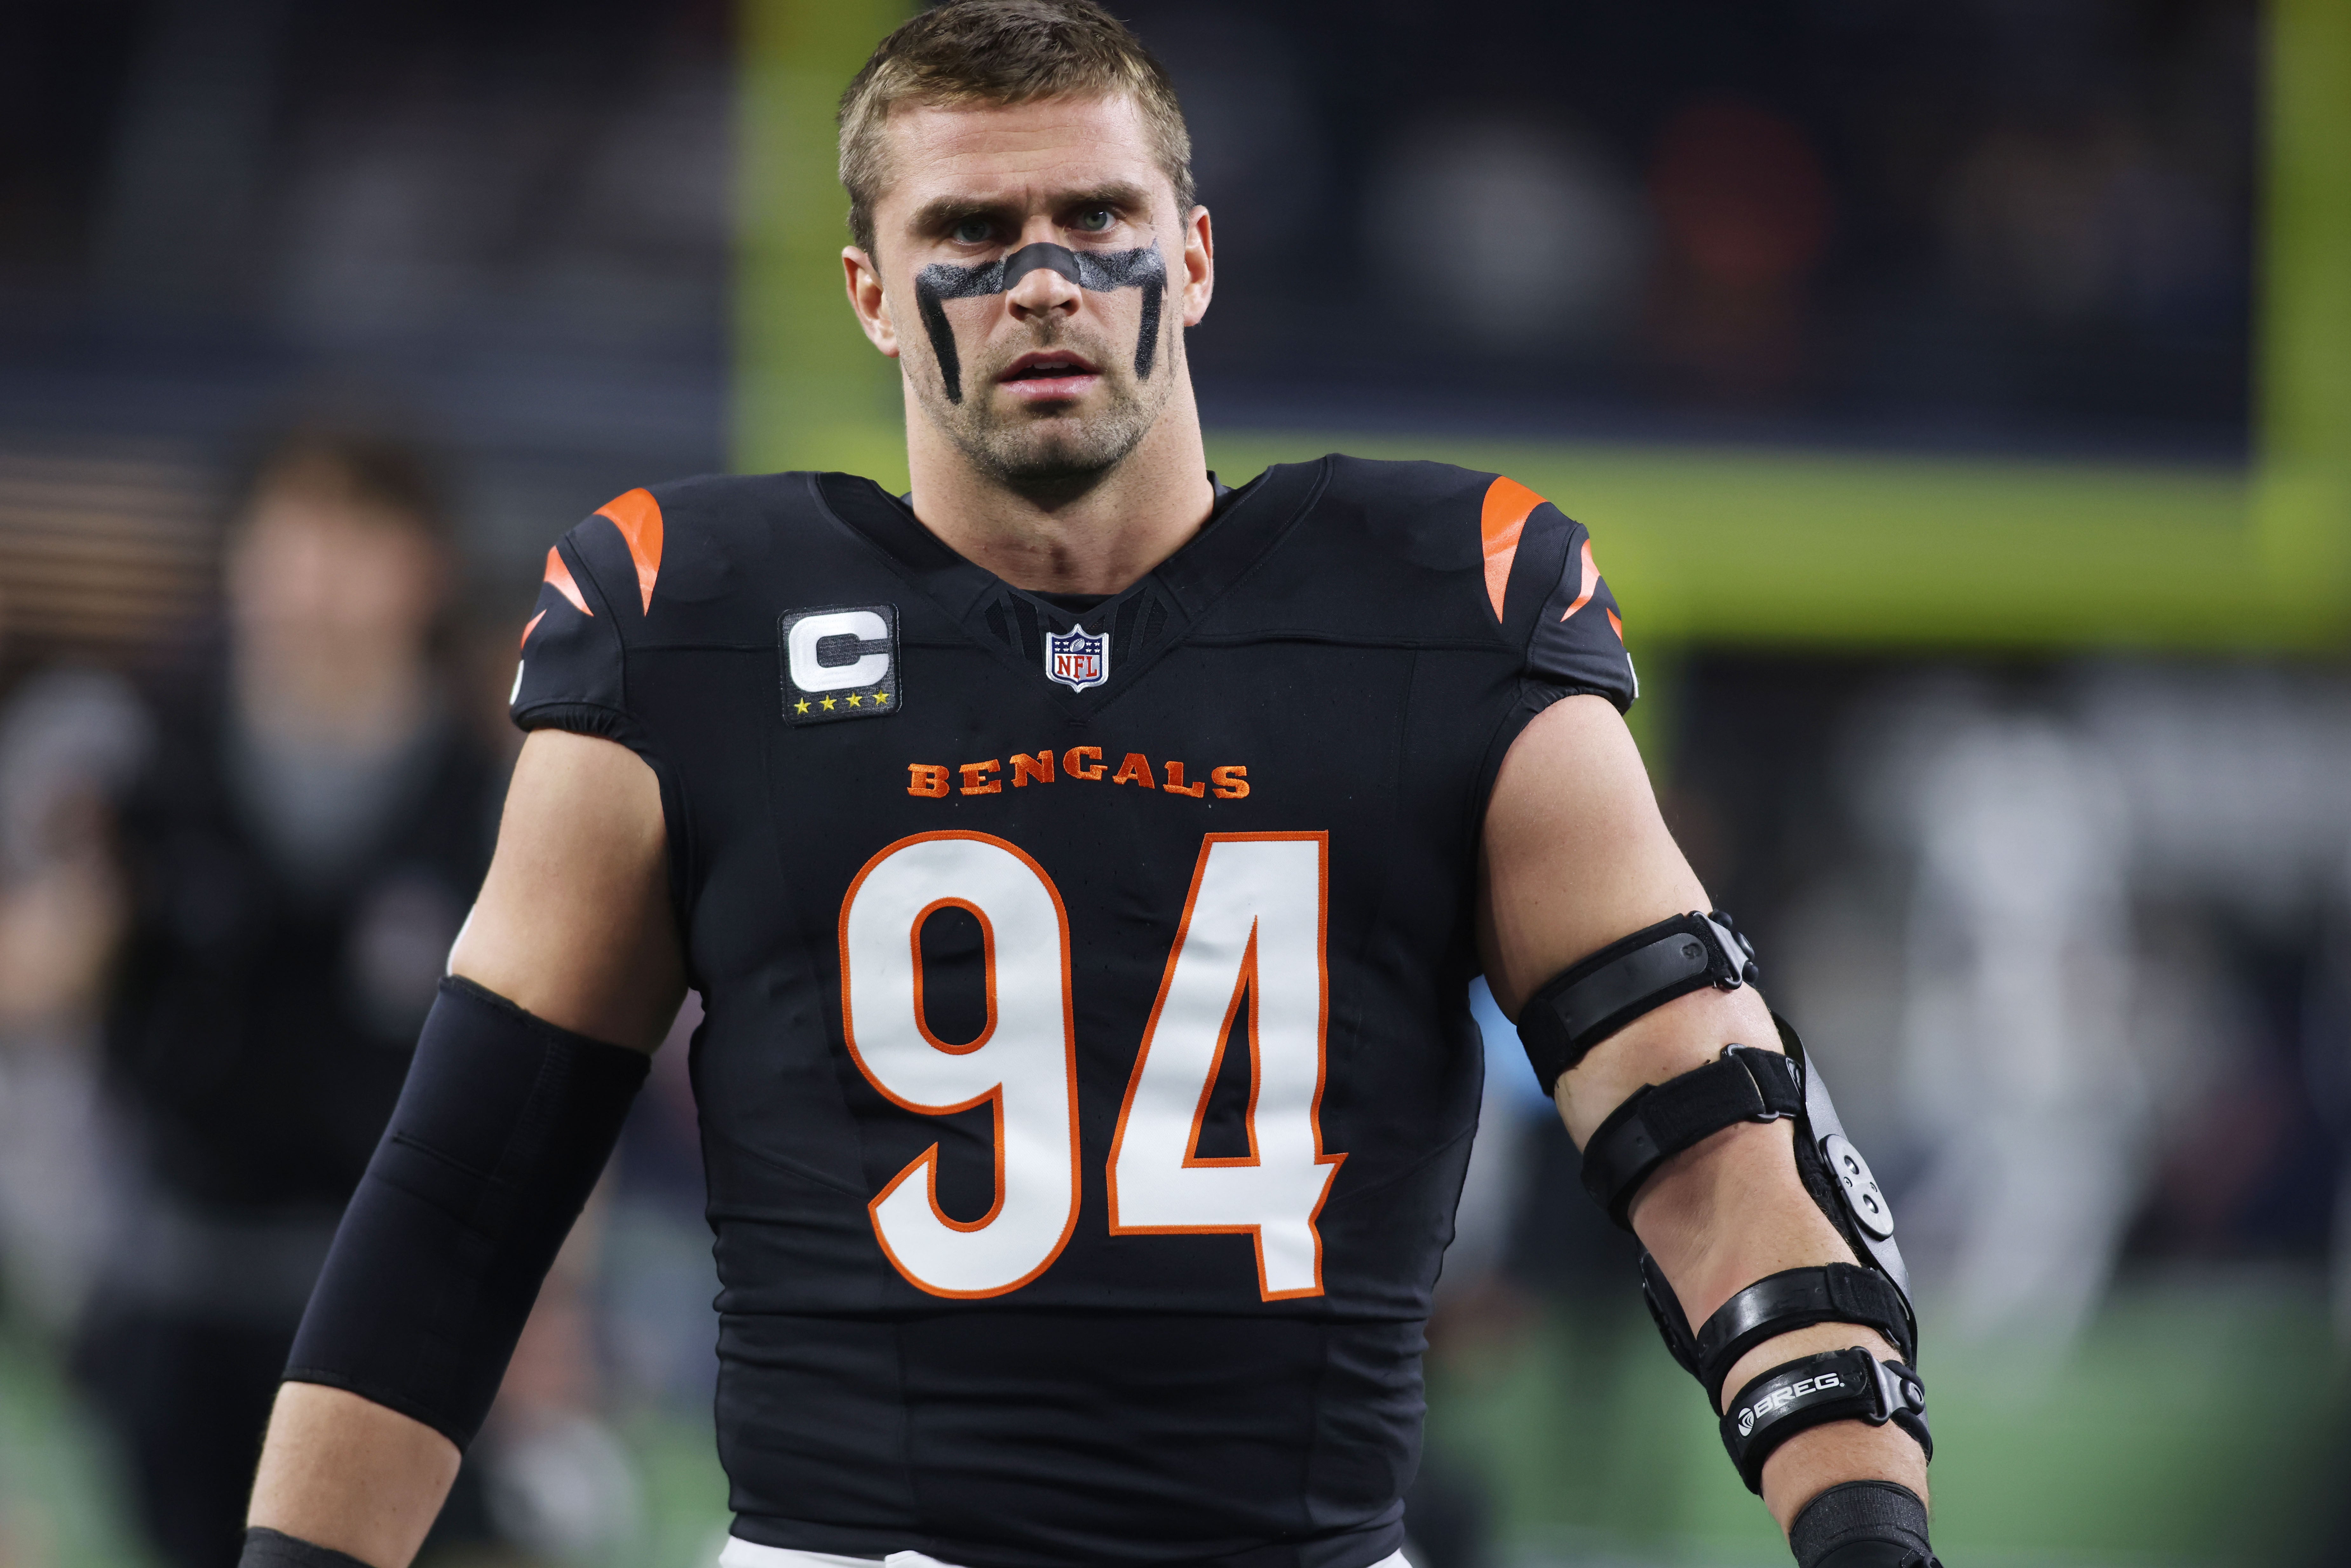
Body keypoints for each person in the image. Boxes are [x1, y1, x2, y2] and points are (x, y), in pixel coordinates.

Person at [244, 5, 1939, 1567]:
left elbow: (1703, 1129)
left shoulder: (1442, 605)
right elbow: (465, 1199)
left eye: (1096, 220)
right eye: (970, 236)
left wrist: (1864, 1531)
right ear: (864, 291)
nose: (1042, 277)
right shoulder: (691, 622)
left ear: (1191, 259)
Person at [0, 430, 512, 1568]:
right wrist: (81, 911)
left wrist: (552, 1301)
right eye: (290, 534)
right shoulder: (125, 749)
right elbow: (32, 982)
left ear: (422, 567)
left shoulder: (498, 781)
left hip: (395, 1289)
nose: (315, 572)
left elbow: (557, 1064)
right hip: (167, 1279)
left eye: (354, 534)